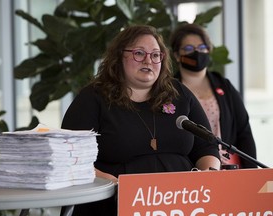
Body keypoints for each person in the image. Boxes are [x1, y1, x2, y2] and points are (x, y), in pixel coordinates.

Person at [61, 24, 221, 216]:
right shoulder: (93, 98)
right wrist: (116, 185)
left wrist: (207, 176)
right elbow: (70, 157)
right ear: (119, 57)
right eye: (139, 53)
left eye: (155, 55)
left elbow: (207, 146)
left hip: (182, 204)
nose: (148, 60)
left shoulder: (179, 93)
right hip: (112, 205)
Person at [170, 23, 257, 169]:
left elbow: (244, 132)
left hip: (229, 168)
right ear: (177, 55)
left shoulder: (224, 86)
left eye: (202, 48)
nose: (197, 52)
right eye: (189, 49)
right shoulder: (170, 90)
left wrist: (252, 173)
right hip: (191, 169)